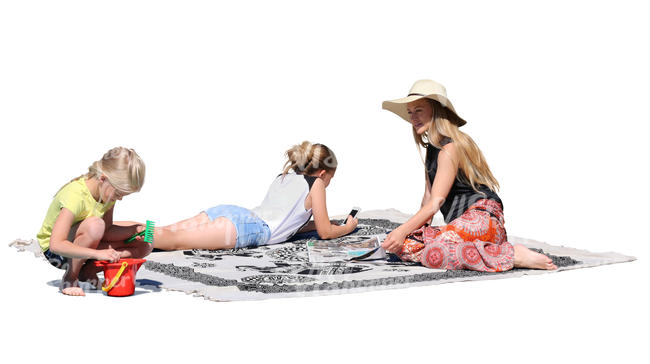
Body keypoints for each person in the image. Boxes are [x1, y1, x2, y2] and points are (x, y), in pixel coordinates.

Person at [381, 79, 557, 271]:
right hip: (460, 228)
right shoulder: (432, 150)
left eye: (419, 110)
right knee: (404, 247)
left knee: (435, 252)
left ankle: (514, 256)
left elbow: (435, 203)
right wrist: (413, 234)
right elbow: (427, 199)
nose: (413, 117)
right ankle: (488, 251)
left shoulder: (450, 147)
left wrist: (403, 230)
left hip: (482, 217)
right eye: (410, 112)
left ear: (436, 110)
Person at [148, 141, 358, 251]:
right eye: (331, 177)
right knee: (174, 241)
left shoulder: (284, 177)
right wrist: (348, 227)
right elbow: (325, 233)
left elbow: (289, 221)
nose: (328, 183)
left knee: (166, 231)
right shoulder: (317, 184)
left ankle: (123, 234)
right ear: (323, 173)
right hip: (249, 228)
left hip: (235, 214)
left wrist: (323, 224)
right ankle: (122, 235)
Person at [37, 147, 152, 296]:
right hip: (57, 253)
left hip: (85, 244)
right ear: (103, 178)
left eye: (124, 195)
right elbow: (56, 244)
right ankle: (70, 277)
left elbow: (108, 231)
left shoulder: (107, 193)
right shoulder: (75, 196)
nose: (120, 198)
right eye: (118, 193)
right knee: (96, 225)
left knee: (145, 246)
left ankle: (87, 272)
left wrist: (134, 231)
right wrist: (97, 254)